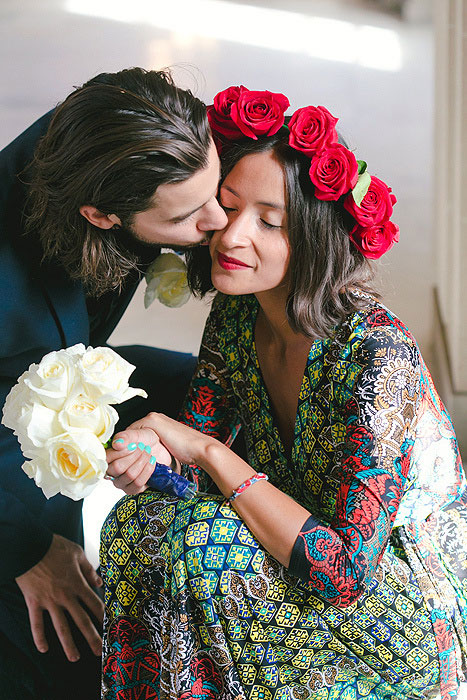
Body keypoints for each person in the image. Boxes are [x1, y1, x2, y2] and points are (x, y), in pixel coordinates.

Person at [103, 86, 467, 700]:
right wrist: (152, 456)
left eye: (270, 222)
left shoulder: (379, 355)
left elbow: (344, 571)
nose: (232, 237)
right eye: (228, 207)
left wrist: (209, 453)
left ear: (316, 238)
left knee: (194, 546)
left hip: (399, 611)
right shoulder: (238, 316)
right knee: (140, 522)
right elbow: (193, 466)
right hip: (289, 546)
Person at [0, 67, 227, 699]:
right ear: (100, 215)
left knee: (209, 392)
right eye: (189, 215)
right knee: (68, 656)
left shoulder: (122, 132)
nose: (220, 219)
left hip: (57, 366)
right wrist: (24, 549)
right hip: (5, 437)